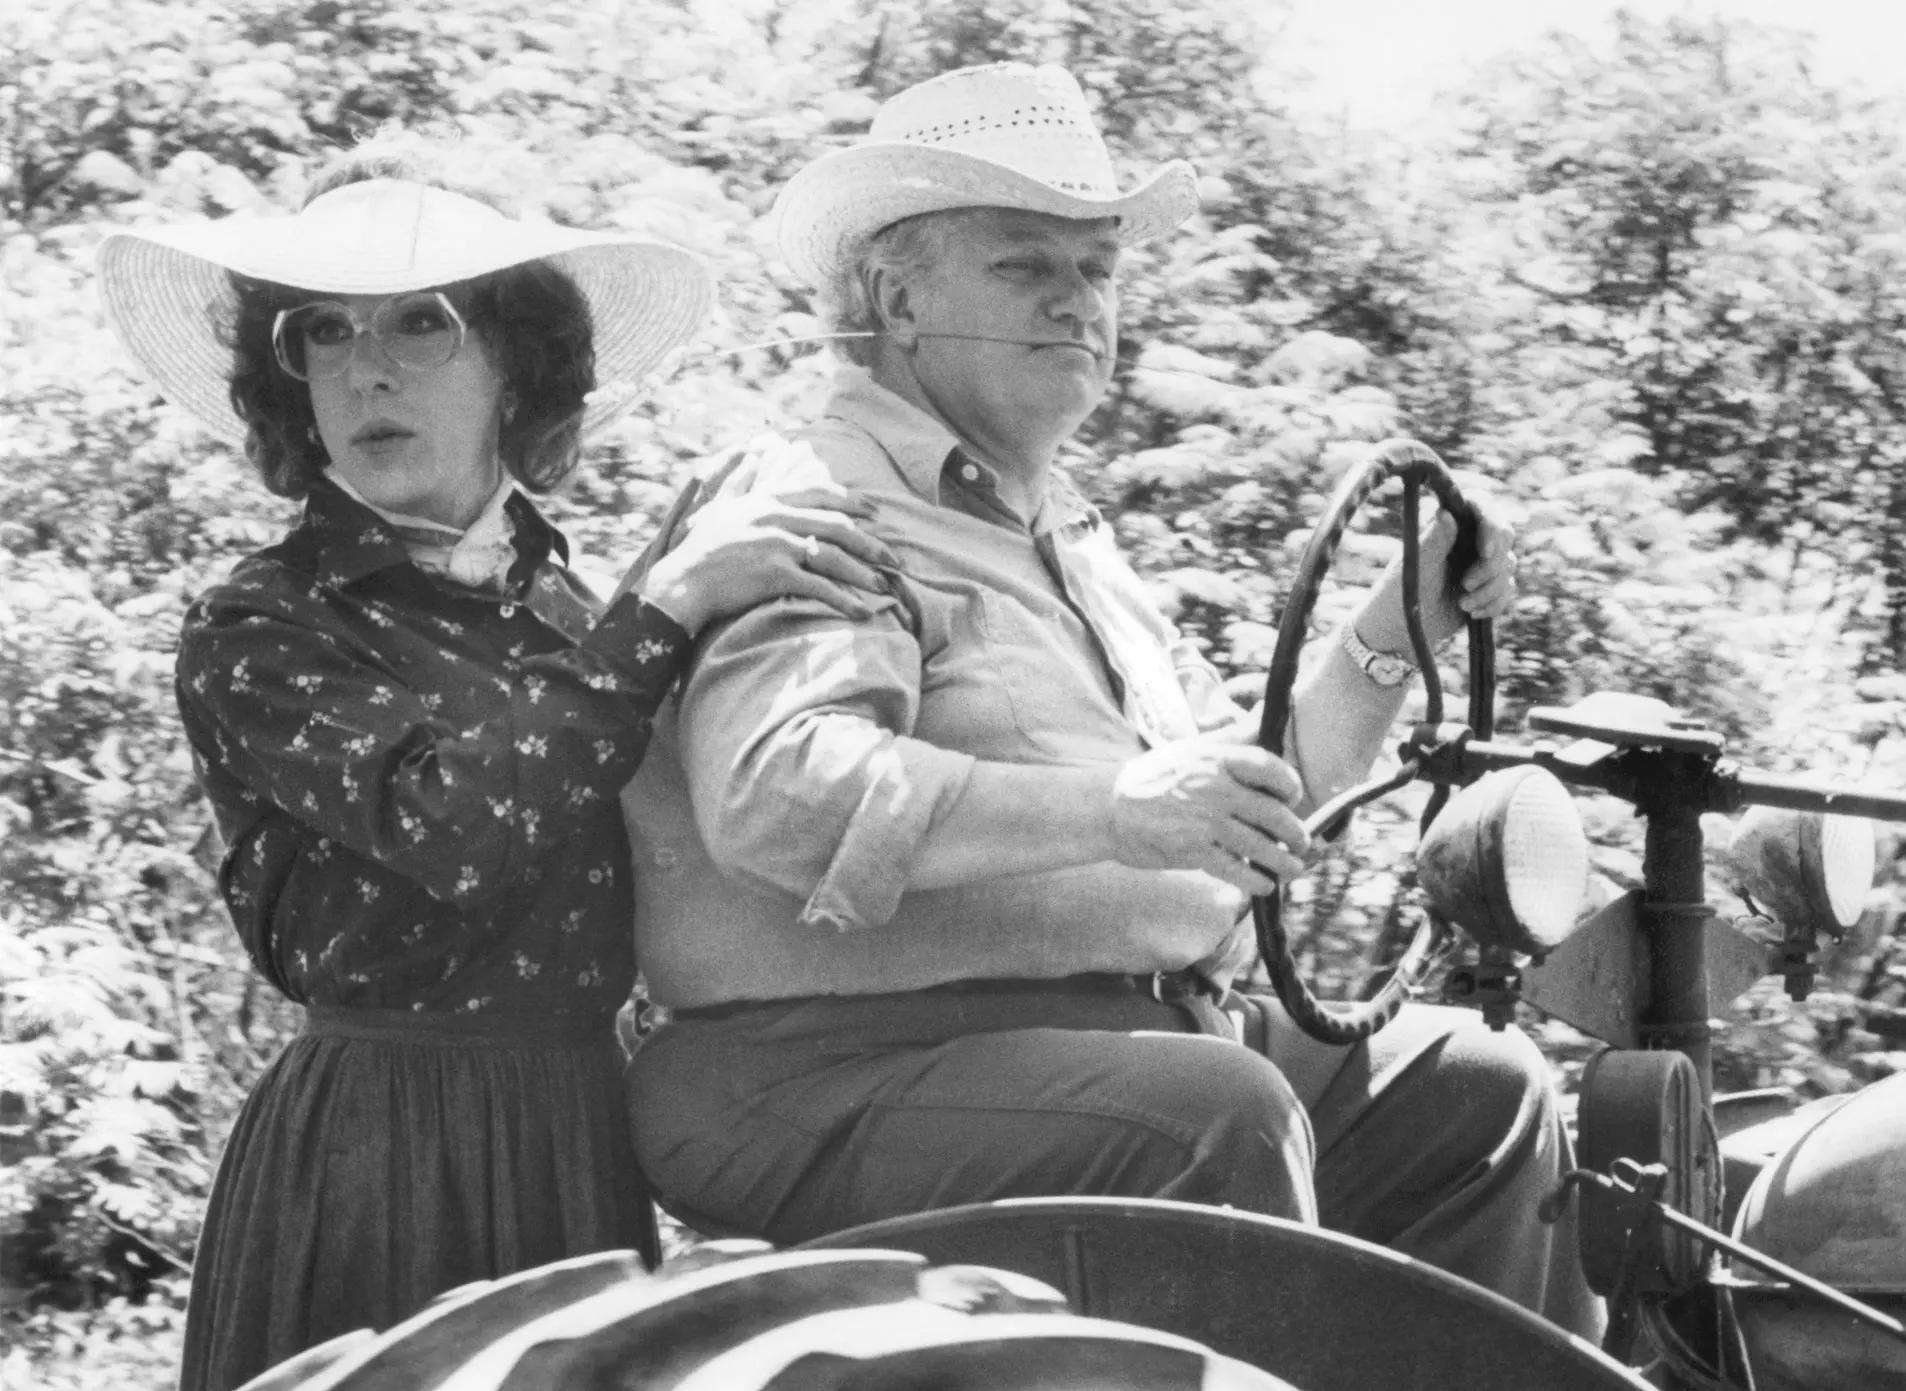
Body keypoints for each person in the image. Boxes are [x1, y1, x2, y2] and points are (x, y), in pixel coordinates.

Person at [620, 62, 1600, 1339]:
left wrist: (1392, 629)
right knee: (1210, 1113)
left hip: (1135, 1038)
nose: (1077, 300)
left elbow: (1246, 804)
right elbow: (780, 795)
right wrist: (1116, 807)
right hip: (826, 1066)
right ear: (896, 298)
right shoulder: (814, 494)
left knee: (1479, 1085)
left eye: (1097, 268)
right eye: (1025, 264)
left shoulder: (1069, 534)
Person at [95, 137, 894, 1391]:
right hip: (378, 1145)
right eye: (322, 332)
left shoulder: (575, 611)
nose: (365, 369)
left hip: (579, 1128)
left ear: (515, 361)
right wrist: (667, 604)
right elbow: (454, 823)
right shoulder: (264, 619)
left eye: (420, 322)